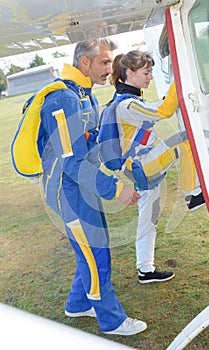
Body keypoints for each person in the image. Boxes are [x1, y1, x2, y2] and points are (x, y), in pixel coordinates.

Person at [38, 39, 147, 336]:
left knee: (89, 248)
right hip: (69, 191)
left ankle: (77, 303)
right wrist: (115, 189)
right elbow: (72, 163)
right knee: (96, 252)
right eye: (104, 62)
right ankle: (111, 320)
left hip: (82, 187)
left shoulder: (85, 95)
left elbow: (86, 144)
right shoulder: (62, 99)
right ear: (84, 63)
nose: (110, 69)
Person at [99, 49, 203, 284]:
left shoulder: (127, 101)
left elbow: (160, 107)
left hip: (139, 168)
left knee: (149, 219)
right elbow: (164, 111)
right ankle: (192, 195)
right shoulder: (127, 106)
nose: (150, 77)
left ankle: (145, 270)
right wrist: (180, 76)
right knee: (185, 140)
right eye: (146, 72)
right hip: (143, 166)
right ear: (129, 73)